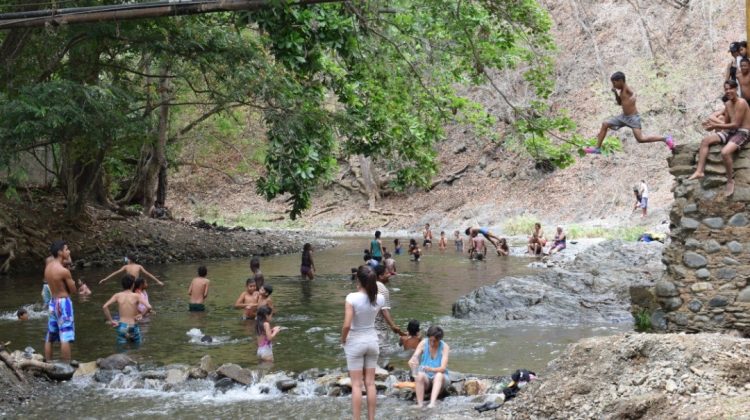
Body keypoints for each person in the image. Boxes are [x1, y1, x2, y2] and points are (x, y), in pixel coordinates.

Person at [585, 71, 674, 154]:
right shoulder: (621, 91)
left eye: (614, 83)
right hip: (624, 117)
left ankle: (665, 138)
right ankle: (597, 148)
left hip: (633, 118)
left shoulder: (626, 88)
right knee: (605, 124)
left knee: (641, 139)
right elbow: (620, 103)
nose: (613, 85)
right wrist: (615, 93)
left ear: (620, 81)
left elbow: (633, 93)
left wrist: (634, 97)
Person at [689, 80, 750, 196]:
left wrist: (716, 125)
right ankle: (699, 171)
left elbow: (736, 124)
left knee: (725, 152)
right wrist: (712, 128)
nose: (728, 91)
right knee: (706, 140)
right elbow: (727, 124)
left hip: (743, 132)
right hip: (731, 132)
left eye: (730, 89)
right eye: (726, 89)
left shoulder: (742, 103)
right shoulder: (727, 104)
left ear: (736, 89)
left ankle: (730, 180)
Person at [341, 265, 386, 420]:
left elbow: (347, 325)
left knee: (356, 385)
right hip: (372, 341)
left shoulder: (351, 298)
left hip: (355, 341)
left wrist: (343, 340)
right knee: (371, 383)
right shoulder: (379, 298)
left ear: (358, 280)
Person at [44, 240, 76, 363]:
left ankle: (48, 363)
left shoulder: (48, 268)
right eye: (67, 249)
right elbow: (73, 290)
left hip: (53, 302)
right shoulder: (63, 271)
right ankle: (66, 366)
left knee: (50, 335)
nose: (69, 251)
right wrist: (71, 280)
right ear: (60, 252)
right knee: (66, 335)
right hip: (63, 302)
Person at [102, 275, 152, 346]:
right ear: (132, 285)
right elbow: (149, 307)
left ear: (122, 285)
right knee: (137, 347)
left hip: (122, 326)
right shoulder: (136, 296)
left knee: (121, 347)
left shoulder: (117, 295)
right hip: (133, 325)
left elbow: (104, 307)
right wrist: (141, 315)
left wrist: (111, 321)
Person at [408, 325, 450, 408]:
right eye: (430, 340)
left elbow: (443, 368)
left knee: (438, 375)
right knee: (418, 374)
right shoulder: (423, 343)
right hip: (426, 378)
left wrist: (431, 369)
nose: (432, 343)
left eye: (435, 341)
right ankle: (420, 404)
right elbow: (413, 358)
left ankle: (432, 403)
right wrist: (413, 363)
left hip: (441, 378)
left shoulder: (445, 347)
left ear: (440, 339)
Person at [98, 256, 164, 286]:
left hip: (129, 284)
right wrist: (158, 281)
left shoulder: (126, 267)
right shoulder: (138, 266)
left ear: (130, 260)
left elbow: (115, 273)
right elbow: (148, 274)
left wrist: (105, 279)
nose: (126, 260)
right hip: (136, 283)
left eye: (127, 259)